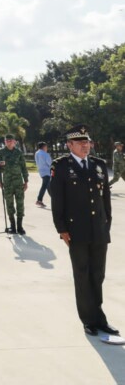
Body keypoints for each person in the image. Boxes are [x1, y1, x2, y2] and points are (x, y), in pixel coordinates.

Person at [50, 124, 118, 337]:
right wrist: (61, 228)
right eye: (79, 142)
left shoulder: (98, 165)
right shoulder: (61, 166)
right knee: (82, 274)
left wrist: (107, 223)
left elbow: (105, 197)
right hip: (75, 230)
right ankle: (88, 319)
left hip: (98, 229)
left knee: (98, 274)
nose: (84, 145)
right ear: (69, 145)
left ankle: (99, 317)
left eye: (86, 141)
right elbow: (57, 200)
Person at [0, 134, 28, 234]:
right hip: (7, 183)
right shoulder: (0, 153)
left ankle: (20, 226)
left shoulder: (19, 152)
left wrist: (26, 181)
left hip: (18, 182)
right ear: (5, 142)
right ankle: (12, 226)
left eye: (11, 140)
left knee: (20, 204)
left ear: (14, 142)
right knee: (9, 204)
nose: (9, 142)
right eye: (7, 140)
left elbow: (23, 167)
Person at [34, 141, 52, 207]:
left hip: (41, 171)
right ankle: (39, 200)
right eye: (46, 146)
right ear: (44, 147)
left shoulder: (37, 153)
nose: (47, 148)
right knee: (45, 186)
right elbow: (50, 163)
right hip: (47, 172)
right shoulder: (45, 154)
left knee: (48, 186)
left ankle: (55, 199)